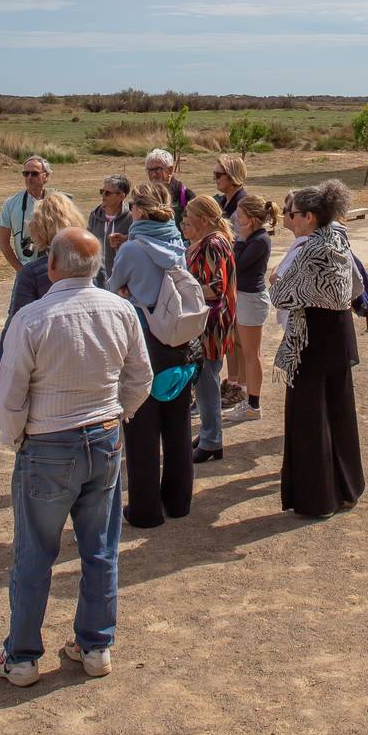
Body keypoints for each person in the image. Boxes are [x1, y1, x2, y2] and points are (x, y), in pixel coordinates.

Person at [0, 228, 152, 687]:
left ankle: (21, 656)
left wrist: (18, 438)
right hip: (103, 436)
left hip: (48, 442)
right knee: (99, 547)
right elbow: (141, 376)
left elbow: (9, 392)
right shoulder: (120, 311)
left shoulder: (34, 318)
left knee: (35, 553)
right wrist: (121, 415)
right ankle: (96, 645)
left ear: (52, 265)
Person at [270, 181, 367, 519]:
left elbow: (281, 297)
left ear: (310, 217)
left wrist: (275, 281)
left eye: (293, 213)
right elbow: (355, 285)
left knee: (308, 418)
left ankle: (318, 499)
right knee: (340, 413)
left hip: (311, 339)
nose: (290, 219)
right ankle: (348, 489)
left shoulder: (308, 249)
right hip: (339, 334)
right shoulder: (339, 237)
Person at [108, 183, 192, 528]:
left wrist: (128, 290)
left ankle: (145, 510)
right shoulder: (178, 243)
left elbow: (111, 289)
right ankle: (179, 501)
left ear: (139, 211)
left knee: (142, 434)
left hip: (143, 345)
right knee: (178, 428)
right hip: (178, 343)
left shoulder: (133, 247)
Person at [0, 191, 86, 391]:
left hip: (47, 365)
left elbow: (19, 327)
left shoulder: (33, 273)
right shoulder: (91, 264)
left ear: (37, 227)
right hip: (84, 357)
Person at [182, 198, 237, 464]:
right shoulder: (209, 241)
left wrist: (180, 285)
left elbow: (215, 288)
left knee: (207, 382)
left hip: (211, 321)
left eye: (189, 216)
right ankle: (208, 433)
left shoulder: (213, 243)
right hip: (208, 319)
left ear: (204, 219)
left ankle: (212, 440)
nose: (184, 221)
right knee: (205, 380)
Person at [227, 195, 277, 428]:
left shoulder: (259, 240)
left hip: (252, 300)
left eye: (240, 215)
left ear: (252, 220)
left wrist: (238, 238)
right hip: (244, 298)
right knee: (247, 353)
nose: (236, 218)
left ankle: (253, 405)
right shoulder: (252, 237)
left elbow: (235, 263)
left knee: (251, 354)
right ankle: (249, 400)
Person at [0, 157, 53, 272]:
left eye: (34, 174)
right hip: (26, 268)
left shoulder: (58, 203)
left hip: (54, 268)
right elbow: (3, 243)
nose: (29, 177)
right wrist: (21, 270)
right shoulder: (10, 204)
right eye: (26, 173)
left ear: (46, 176)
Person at [85, 174, 133, 285]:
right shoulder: (95, 215)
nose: (103, 196)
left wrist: (126, 240)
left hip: (123, 281)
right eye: (102, 191)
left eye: (108, 193)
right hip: (96, 280)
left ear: (121, 196)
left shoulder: (131, 217)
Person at [144, 148, 193, 216]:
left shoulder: (186, 195)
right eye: (150, 170)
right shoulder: (145, 196)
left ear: (170, 170)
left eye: (157, 169)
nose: (153, 175)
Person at [210, 154, 248, 218]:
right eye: (214, 174)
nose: (214, 178)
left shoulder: (243, 207)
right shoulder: (224, 201)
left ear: (232, 177)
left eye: (218, 175)